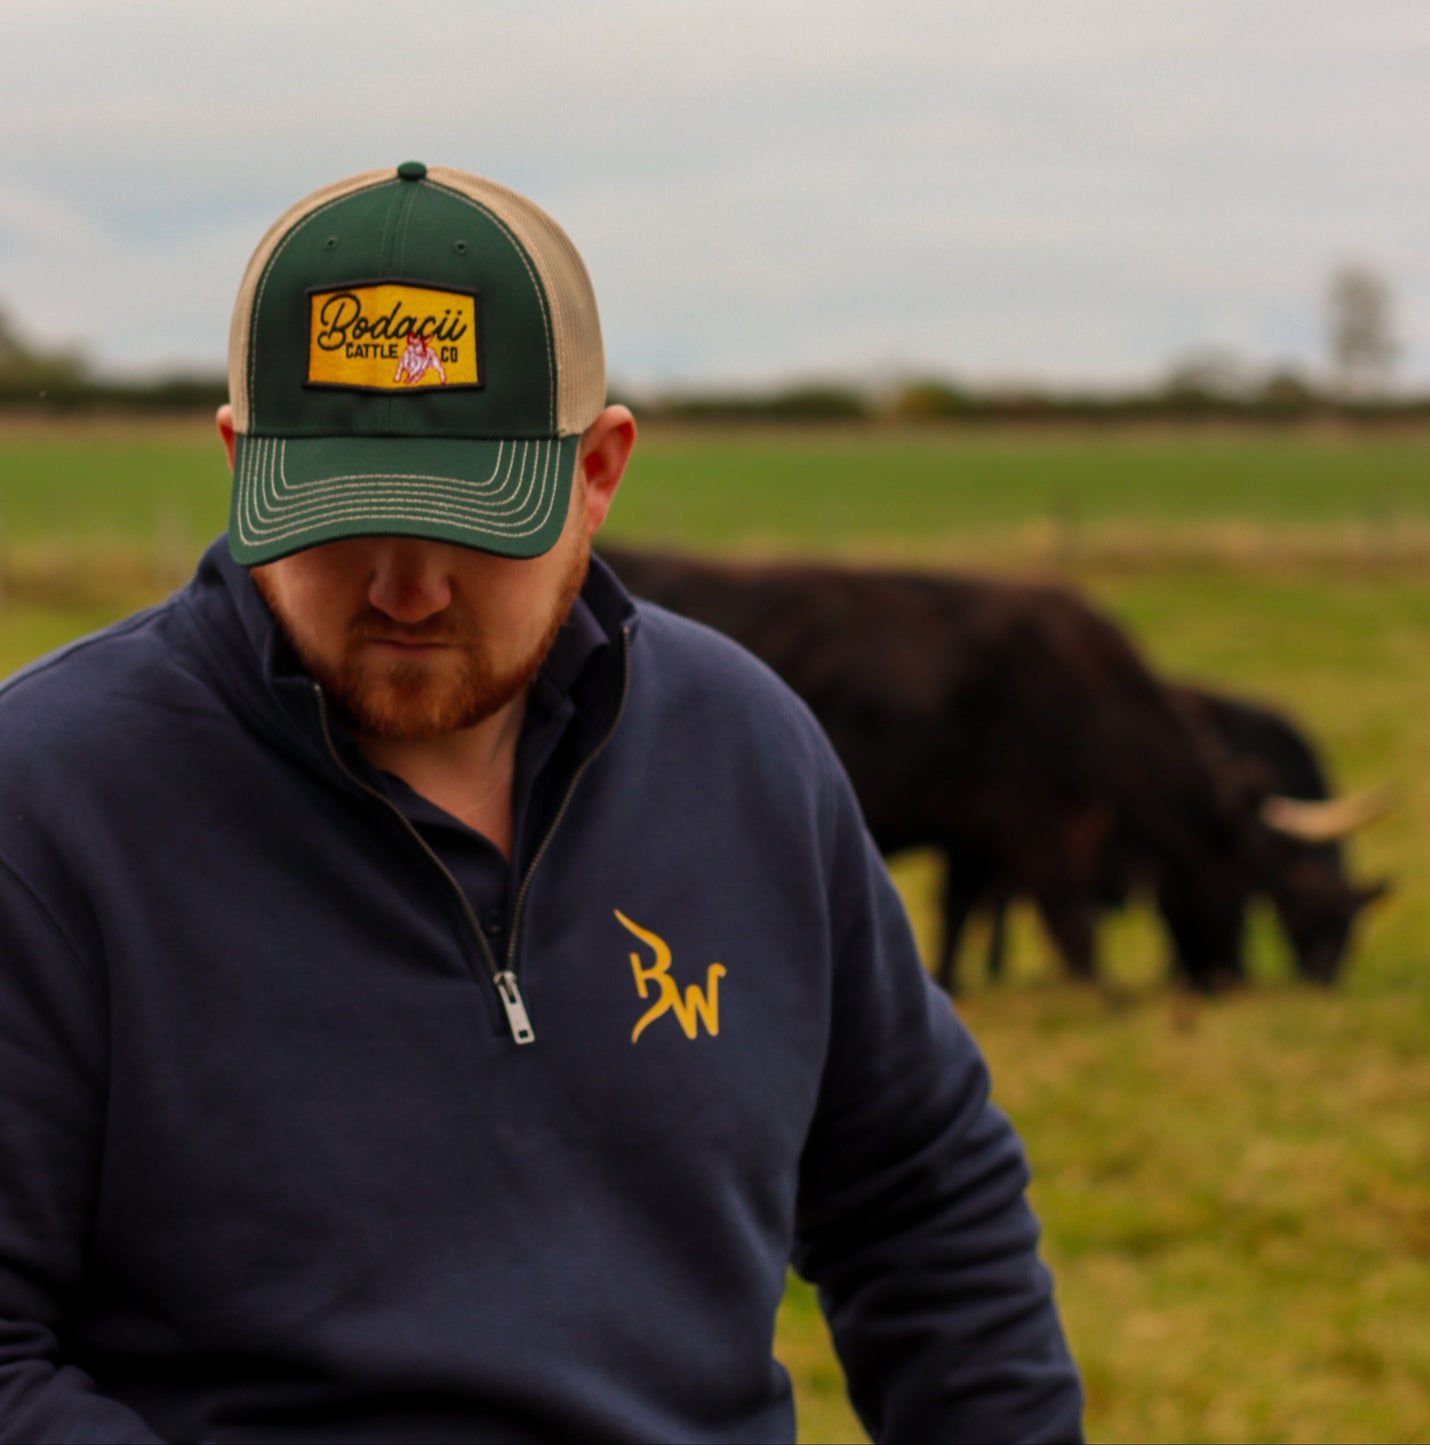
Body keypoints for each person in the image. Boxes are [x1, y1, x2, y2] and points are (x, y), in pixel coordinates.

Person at [0, 163, 1083, 1443]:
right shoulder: (50, 803)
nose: (406, 588)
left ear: (598, 471)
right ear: (242, 463)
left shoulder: (743, 750)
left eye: (471, 521)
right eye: (341, 520)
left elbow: (919, 1195)